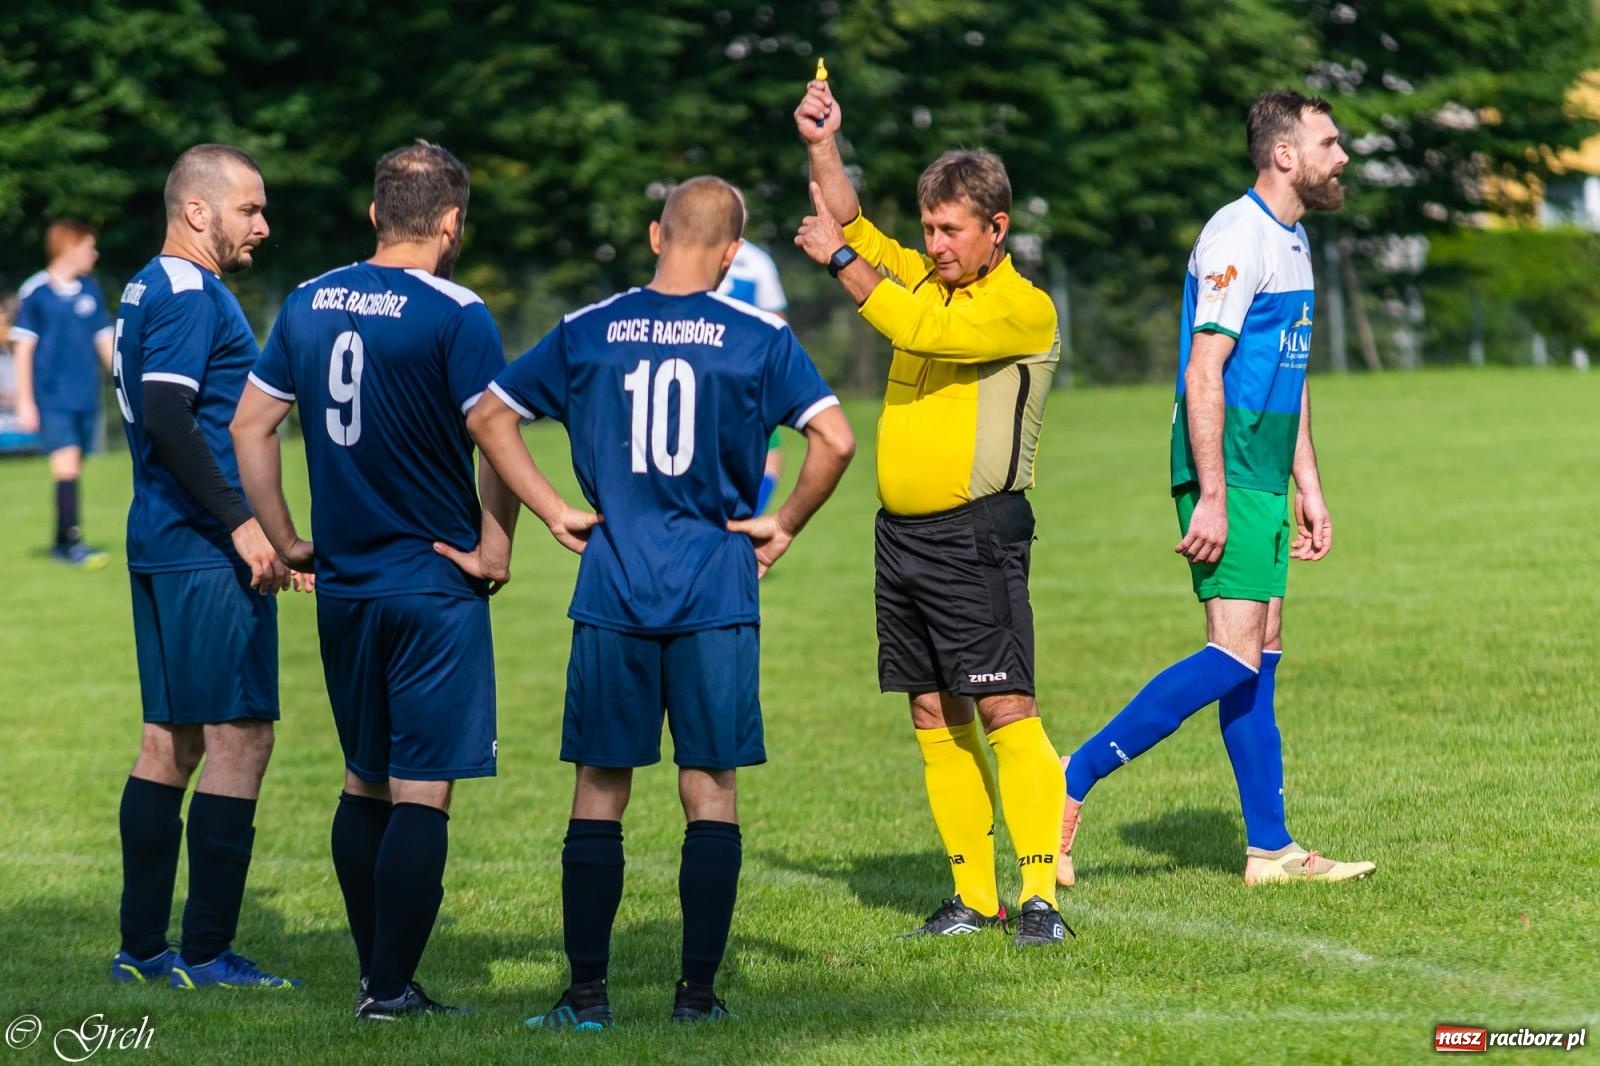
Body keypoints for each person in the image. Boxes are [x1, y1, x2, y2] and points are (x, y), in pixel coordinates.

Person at [468, 175, 854, 1027]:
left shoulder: (588, 331)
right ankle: (697, 998)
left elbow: (490, 416)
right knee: (708, 787)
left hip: (613, 581)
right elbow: (835, 437)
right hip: (716, 583)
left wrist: (550, 507)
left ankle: (586, 997)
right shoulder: (758, 335)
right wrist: (783, 521)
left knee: (600, 786)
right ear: (729, 256)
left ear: (654, 236)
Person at [1057, 91, 1376, 887]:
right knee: (1232, 654)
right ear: (1284, 154)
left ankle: (1269, 849)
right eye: (1329, 143)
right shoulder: (1237, 235)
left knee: (1260, 656)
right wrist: (1211, 492)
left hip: (1263, 472)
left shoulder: (1293, 240)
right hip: (1224, 466)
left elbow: (1289, 378)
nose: (1341, 157)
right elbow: (1205, 370)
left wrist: (1309, 483)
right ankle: (1068, 776)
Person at [232, 141, 521, 1021]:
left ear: (373, 215)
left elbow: (252, 428)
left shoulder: (308, 300)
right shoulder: (458, 311)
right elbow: (498, 437)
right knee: (423, 786)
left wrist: (287, 541)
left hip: (347, 587)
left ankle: (377, 976)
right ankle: (390, 991)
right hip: (433, 585)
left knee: (365, 779)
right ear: (450, 223)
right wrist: (495, 544)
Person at [793, 78, 1069, 947]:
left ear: (998, 230)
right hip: (903, 538)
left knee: (1005, 709)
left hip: (976, 535)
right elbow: (850, 221)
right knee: (931, 712)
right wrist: (822, 143)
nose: (936, 244)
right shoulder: (932, 277)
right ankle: (972, 896)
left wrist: (842, 264)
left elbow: (919, 330)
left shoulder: (1019, 307)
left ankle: (1038, 901)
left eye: (953, 230)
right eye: (929, 229)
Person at [108, 144, 303, 991]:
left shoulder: (145, 285)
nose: (262, 225)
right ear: (198, 211)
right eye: (249, 209)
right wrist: (244, 526)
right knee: (240, 737)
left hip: (159, 537)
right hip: (200, 547)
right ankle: (206, 955)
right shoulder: (191, 291)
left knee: (171, 742)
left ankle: (143, 951)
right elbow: (168, 414)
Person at [9, 220, 116, 566]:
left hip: (85, 396)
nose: (94, 253)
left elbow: (105, 342)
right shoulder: (36, 293)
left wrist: (128, 381)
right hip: (52, 398)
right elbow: (23, 349)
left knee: (74, 469)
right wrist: (25, 400)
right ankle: (73, 544)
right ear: (69, 248)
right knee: (66, 466)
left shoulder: (90, 290)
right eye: (88, 246)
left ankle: (60, 541)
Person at [716, 238, 790, 513]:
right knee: (768, 450)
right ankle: (745, 521)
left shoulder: (683, 252)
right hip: (744, 371)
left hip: (691, 367)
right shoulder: (757, 260)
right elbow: (777, 319)